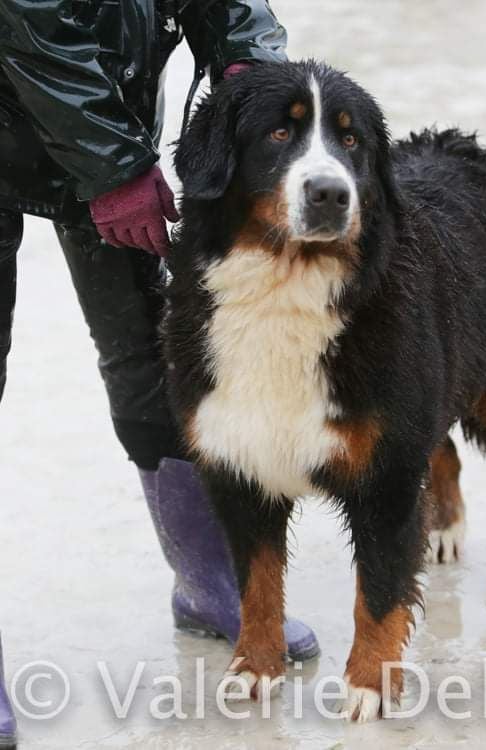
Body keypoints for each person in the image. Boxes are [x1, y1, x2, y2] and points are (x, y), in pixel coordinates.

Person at [0, 3, 319, 745]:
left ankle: (208, 581)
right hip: (86, 125)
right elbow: (31, 24)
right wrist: (115, 169)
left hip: (109, 127)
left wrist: (250, 76)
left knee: (157, 350)